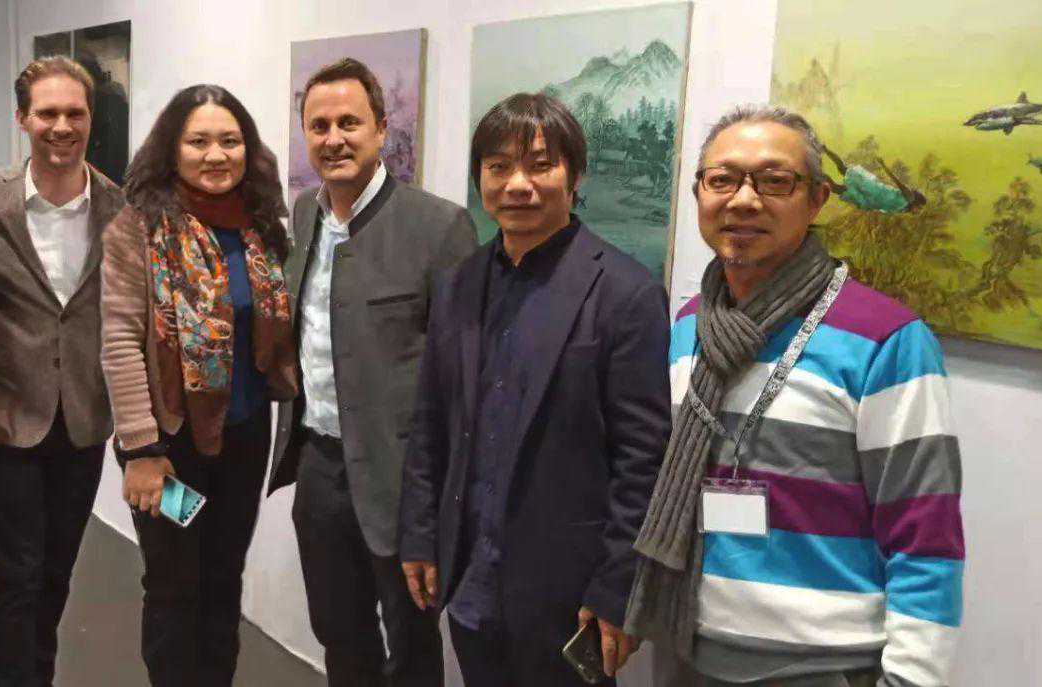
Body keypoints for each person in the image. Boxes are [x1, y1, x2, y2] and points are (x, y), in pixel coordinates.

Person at [626, 105, 964, 687]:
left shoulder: (887, 341)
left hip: (821, 667)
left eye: (774, 181)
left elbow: (925, 538)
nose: (744, 200)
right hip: (685, 651)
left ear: (817, 200)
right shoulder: (689, 326)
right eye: (722, 179)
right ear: (699, 193)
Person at [399, 92, 671, 686]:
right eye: (498, 167)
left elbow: (643, 461)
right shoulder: (458, 284)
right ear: (480, 179)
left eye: (540, 165)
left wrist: (617, 588)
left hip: (567, 590)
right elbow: (430, 422)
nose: (517, 185)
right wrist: (419, 536)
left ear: (575, 176)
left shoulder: (625, 292)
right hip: (470, 576)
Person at [267, 58, 476, 686]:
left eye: (349, 123)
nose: (333, 139)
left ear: (382, 128)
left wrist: (439, 501)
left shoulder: (440, 227)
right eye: (319, 126)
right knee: (339, 634)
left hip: (403, 481)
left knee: (411, 648)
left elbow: (462, 380)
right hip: (320, 467)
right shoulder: (304, 214)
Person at [100, 84, 297, 686]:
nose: (216, 155)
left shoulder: (260, 225)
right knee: (174, 583)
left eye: (230, 141)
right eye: (199, 141)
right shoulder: (139, 228)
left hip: (242, 441)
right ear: (172, 149)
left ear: (248, 149)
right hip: (171, 448)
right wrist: (141, 450)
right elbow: (119, 342)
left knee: (222, 577)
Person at [0, 55, 124, 686]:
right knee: (15, 577)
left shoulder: (121, 209)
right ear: (22, 119)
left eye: (74, 113)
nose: (62, 126)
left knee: (56, 575)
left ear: (90, 119)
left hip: (82, 425)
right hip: (3, 423)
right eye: (47, 113)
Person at [822, 144, 925, 213]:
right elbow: (896, 181)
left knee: (839, 188)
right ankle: (824, 150)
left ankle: (820, 174)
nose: (918, 212)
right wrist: (883, 165)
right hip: (873, 190)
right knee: (844, 171)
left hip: (869, 201)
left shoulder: (904, 209)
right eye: (919, 208)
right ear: (916, 202)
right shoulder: (909, 197)